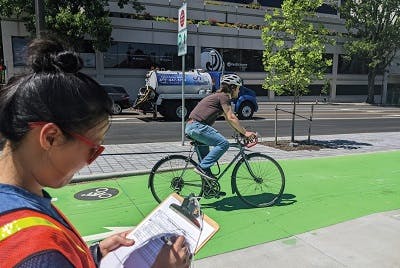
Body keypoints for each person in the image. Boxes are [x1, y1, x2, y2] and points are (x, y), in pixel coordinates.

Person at [0, 39, 191, 268]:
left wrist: (94, 254)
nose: (92, 161)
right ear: (51, 137)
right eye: (93, 149)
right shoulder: (39, 252)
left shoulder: (20, 202)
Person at [185, 73, 257, 195]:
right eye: (238, 88)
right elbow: (231, 116)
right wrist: (245, 132)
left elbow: (228, 119)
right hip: (198, 127)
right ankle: (201, 168)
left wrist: (240, 132)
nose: (239, 91)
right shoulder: (223, 96)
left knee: (206, 163)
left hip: (193, 127)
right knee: (223, 144)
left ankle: (208, 188)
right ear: (233, 87)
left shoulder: (218, 97)